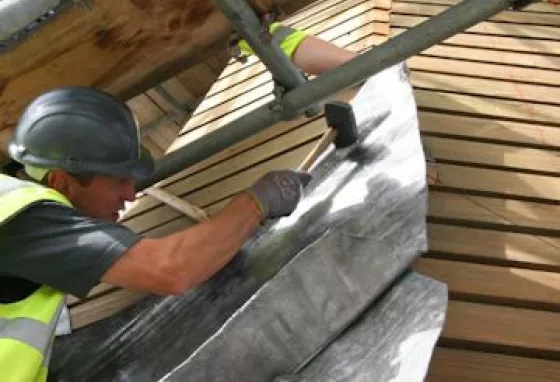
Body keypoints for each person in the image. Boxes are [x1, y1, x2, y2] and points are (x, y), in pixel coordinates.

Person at [0, 86, 311, 381]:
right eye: (118, 181)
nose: (130, 195)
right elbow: (169, 269)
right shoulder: (22, 213)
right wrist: (258, 201)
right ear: (61, 181)